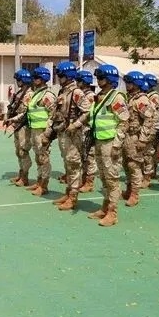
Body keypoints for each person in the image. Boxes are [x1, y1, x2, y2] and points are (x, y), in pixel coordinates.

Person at [86, 64, 130, 226]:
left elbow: (124, 122)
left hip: (110, 143)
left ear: (110, 79)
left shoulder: (116, 98)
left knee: (112, 178)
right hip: (99, 141)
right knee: (104, 177)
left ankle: (112, 212)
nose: (98, 80)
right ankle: (105, 207)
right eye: (98, 77)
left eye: (101, 78)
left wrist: (117, 145)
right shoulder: (100, 96)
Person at [51, 63, 95, 211]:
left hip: (73, 134)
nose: (59, 78)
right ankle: (68, 193)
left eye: (61, 75)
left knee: (74, 165)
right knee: (67, 164)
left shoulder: (76, 92)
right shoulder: (63, 91)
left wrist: (76, 124)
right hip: (63, 133)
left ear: (68, 76)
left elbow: (88, 112)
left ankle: (73, 197)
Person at [121, 72, 157, 207]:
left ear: (136, 84)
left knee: (134, 165)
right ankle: (129, 189)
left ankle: (135, 194)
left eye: (129, 83)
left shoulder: (142, 100)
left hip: (135, 137)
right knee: (126, 164)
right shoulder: (129, 98)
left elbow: (149, 120)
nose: (127, 85)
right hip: (126, 136)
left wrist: (142, 139)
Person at [25, 66, 57, 196]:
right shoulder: (36, 94)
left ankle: (44, 185)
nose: (34, 80)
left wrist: (47, 133)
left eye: (36, 77)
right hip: (34, 129)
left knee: (44, 157)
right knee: (38, 157)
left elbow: (53, 115)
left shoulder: (47, 95)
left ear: (43, 79)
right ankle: (39, 181)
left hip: (42, 131)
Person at [5, 69, 34, 186]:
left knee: (23, 151)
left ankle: (25, 176)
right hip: (17, 126)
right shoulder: (19, 93)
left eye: (18, 80)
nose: (17, 82)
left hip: (24, 126)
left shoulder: (29, 94)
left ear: (23, 80)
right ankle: (21, 173)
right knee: (18, 151)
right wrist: (9, 119)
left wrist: (13, 119)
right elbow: (13, 107)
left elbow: (26, 112)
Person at [74, 70, 98, 193]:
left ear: (83, 82)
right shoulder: (83, 94)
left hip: (88, 129)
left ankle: (89, 182)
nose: (76, 83)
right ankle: (83, 179)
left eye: (78, 81)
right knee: (83, 155)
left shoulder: (90, 96)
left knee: (89, 156)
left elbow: (90, 114)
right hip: (82, 129)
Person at [142, 73, 159, 188]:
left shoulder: (154, 96)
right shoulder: (146, 95)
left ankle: (148, 176)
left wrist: (151, 130)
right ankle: (147, 172)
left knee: (148, 153)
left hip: (151, 128)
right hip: (146, 127)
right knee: (146, 152)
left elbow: (155, 114)